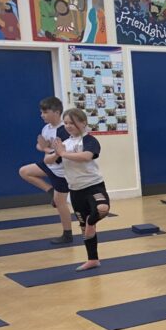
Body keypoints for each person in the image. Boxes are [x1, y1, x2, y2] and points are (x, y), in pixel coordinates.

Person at [49, 109, 110, 271]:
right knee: (84, 229)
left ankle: (91, 221)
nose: (69, 126)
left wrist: (63, 153)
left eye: (73, 123)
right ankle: (93, 259)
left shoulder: (89, 140)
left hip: (93, 186)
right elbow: (48, 160)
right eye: (66, 123)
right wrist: (56, 152)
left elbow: (86, 156)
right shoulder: (65, 143)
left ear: (83, 123)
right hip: (76, 191)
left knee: (102, 209)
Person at [18, 96, 74, 244]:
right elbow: (42, 147)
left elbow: (60, 156)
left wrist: (45, 148)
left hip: (61, 172)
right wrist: (44, 147)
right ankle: (50, 190)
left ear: (56, 112)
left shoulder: (63, 131)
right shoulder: (46, 128)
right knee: (24, 171)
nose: (41, 115)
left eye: (45, 112)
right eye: (41, 112)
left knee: (60, 204)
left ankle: (67, 234)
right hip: (49, 166)